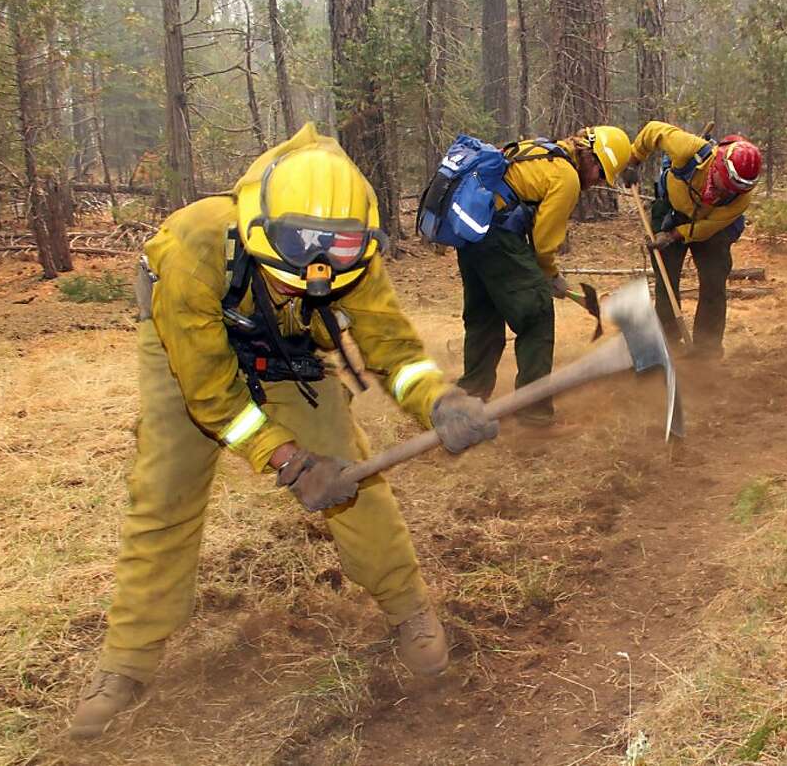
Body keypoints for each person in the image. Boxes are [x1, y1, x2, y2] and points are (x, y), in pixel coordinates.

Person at [70, 124, 499, 739]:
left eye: (335, 265)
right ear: (258, 231)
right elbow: (213, 399)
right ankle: (126, 663)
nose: (319, 276)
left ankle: (408, 610)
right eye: (293, 270)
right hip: (188, 348)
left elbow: (394, 349)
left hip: (288, 348)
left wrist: (439, 399)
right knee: (164, 494)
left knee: (355, 476)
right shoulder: (193, 247)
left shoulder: (356, 254)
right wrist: (289, 460)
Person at [455, 125, 631, 427]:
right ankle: (533, 413)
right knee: (536, 316)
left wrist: (544, 272)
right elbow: (545, 239)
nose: (599, 182)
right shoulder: (566, 177)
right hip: (498, 239)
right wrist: (550, 275)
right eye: (601, 175)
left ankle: (467, 400)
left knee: (484, 318)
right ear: (593, 159)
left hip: (473, 237)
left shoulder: (542, 151)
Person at [619, 122, 762, 359]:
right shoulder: (688, 149)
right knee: (666, 280)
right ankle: (668, 345)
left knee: (714, 282)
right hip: (670, 211)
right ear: (717, 166)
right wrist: (634, 161)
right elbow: (653, 130)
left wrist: (675, 235)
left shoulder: (740, 199)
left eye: (732, 192)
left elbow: (707, 228)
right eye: (723, 186)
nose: (725, 194)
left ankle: (706, 352)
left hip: (708, 226)